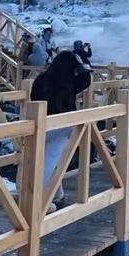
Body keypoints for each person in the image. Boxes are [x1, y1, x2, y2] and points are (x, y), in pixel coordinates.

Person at [31, 50, 92, 208]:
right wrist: (82, 63)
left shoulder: (41, 79)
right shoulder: (67, 82)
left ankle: (57, 194)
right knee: (51, 161)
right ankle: (39, 200)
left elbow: (33, 97)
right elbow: (86, 80)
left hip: (40, 124)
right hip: (62, 126)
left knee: (47, 160)